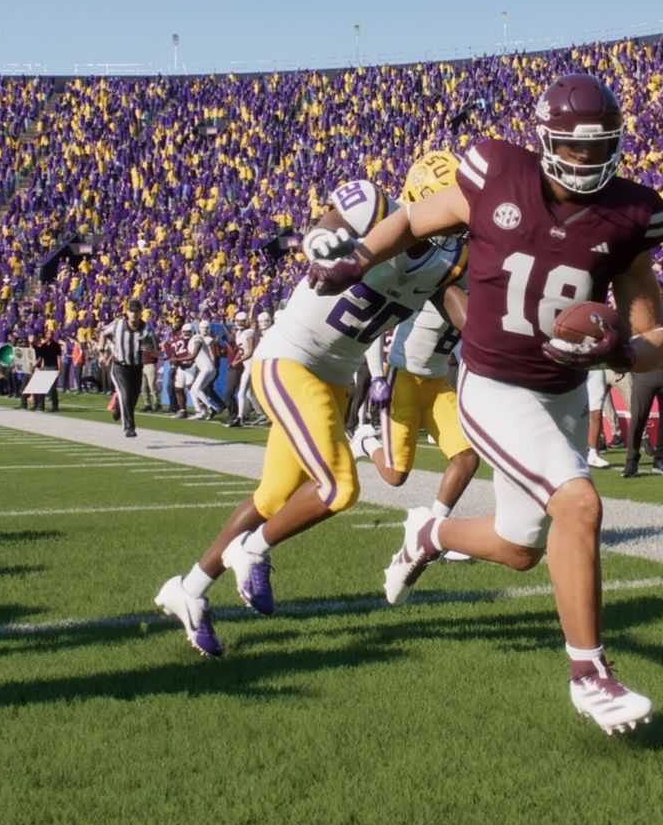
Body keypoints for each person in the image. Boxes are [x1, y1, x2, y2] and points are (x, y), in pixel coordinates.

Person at [330, 72, 663, 735]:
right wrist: (356, 258)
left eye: (599, 147)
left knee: (520, 548)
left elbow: (653, 332)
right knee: (579, 502)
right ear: (544, 141)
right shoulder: (494, 172)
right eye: (573, 149)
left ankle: (426, 534)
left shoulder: (633, 213)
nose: (586, 161)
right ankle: (589, 674)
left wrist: (621, 353)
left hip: (564, 393)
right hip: (492, 383)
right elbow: (409, 221)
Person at [152, 165, 464, 657]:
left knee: (273, 496)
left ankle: (187, 590)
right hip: (289, 361)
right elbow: (324, 230)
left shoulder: (447, 260)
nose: (455, 221)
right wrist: (326, 248)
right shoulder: (375, 208)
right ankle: (251, 548)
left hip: (335, 382)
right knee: (339, 489)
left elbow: (465, 311)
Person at [352, 151, 484, 560]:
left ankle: (435, 529)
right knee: (394, 475)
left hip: (437, 379)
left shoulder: (458, 259)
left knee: (466, 458)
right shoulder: (429, 266)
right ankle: (365, 439)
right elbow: (377, 323)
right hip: (405, 376)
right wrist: (376, 376)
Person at [622, 285, 663, 477]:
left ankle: (661, 459)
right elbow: (624, 342)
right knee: (638, 418)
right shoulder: (634, 317)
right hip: (643, 373)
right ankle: (632, 461)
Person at [102, 302, 146, 437]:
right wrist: (102, 351)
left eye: (137, 311)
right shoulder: (118, 324)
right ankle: (129, 427)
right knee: (125, 393)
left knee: (134, 396)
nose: (134, 314)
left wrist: (152, 350)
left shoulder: (146, 327)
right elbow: (103, 333)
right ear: (127, 312)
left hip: (136, 367)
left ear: (140, 312)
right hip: (119, 366)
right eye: (132, 311)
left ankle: (118, 410)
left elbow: (152, 344)